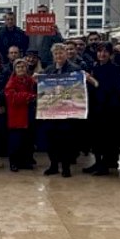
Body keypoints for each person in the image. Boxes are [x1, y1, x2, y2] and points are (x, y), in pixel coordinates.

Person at [42, 43, 82, 177]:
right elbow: (43, 88)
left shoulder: (75, 69)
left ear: (66, 54)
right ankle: (53, 165)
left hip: (68, 110)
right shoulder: (48, 70)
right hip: (51, 111)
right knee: (51, 139)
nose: (58, 56)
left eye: (61, 53)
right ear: (53, 56)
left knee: (66, 140)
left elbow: (78, 89)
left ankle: (66, 167)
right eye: (56, 54)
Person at [84, 42, 120, 176]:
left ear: (111, 54)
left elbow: (112, 89)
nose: (102, 54)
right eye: (100, 51)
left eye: (105, 51)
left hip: (108, 109)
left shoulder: (115, 69)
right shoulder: (94, 67)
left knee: (107, 138)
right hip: (94, 108)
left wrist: (93, 81)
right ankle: (97, 162)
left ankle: (105, 165)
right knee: (95, 138)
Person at [5, 58, 37, 172]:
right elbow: (13, 97)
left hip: (29, 115)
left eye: (23, 67)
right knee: (15, 142)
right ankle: (14, 163)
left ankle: (26, 161)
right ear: (15, 69)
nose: (21, 69)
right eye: (18, 67)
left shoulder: (31, 81)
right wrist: (30, 96)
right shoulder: (11, 82)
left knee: (28, 141)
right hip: (17, 116)